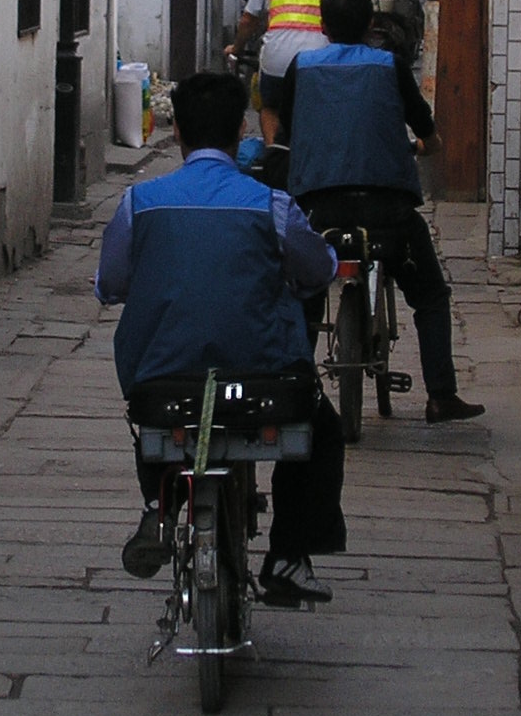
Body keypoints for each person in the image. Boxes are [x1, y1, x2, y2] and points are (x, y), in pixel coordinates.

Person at [96, 72, 346, 606]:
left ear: (178, 130)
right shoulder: (271, 205)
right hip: (266, 384)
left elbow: (110, 287)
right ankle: (288, 553)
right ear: (242, 130)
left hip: (161, 384)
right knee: (322, 429)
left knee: (155, 412)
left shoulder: (139, 204)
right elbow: (317, 269)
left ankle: (158, 506)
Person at [278, 0, 484, 425]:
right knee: (429, 295)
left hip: (318, 212)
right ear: (371, 24)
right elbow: (424, 128)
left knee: (303, 295)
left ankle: (291, 390)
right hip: (387, 214)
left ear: (322, 26)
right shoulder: (389, 65)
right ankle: (441, 395)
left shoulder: (303, 66)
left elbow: (285, 127)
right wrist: (428, 145)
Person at [228, 0, 349, 143]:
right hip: (323, 61)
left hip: (277, 60)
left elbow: (248, 20)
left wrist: (236, 48)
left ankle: (274, 155)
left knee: (270, 106)